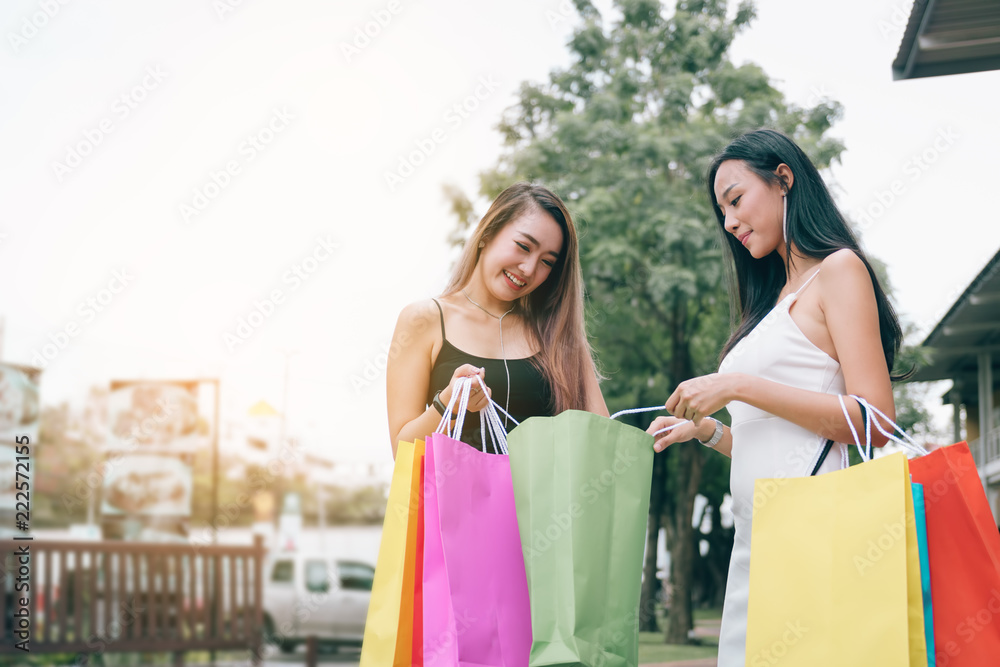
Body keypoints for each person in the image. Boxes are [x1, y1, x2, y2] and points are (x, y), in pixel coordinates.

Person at [645, 129, 906, 666]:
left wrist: (738, 385)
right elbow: (779, 445)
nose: (729, 222)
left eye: (736, 199)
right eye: (721, 211)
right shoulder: (770, 306)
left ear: (783, 179)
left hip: (813, 535)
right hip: (756, 540)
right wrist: (709, 432)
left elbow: (875, 420)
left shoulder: (838, 271)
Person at [387, 182, 608, 458]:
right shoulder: (423, 320)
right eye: (523, 246)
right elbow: (402, 451)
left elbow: (603, 441)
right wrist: (448, 404)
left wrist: (659, 434)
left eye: (547, 262)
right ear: (486, 234)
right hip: (451, 501)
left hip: (540, 502)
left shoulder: (559, 334)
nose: (529, 269)